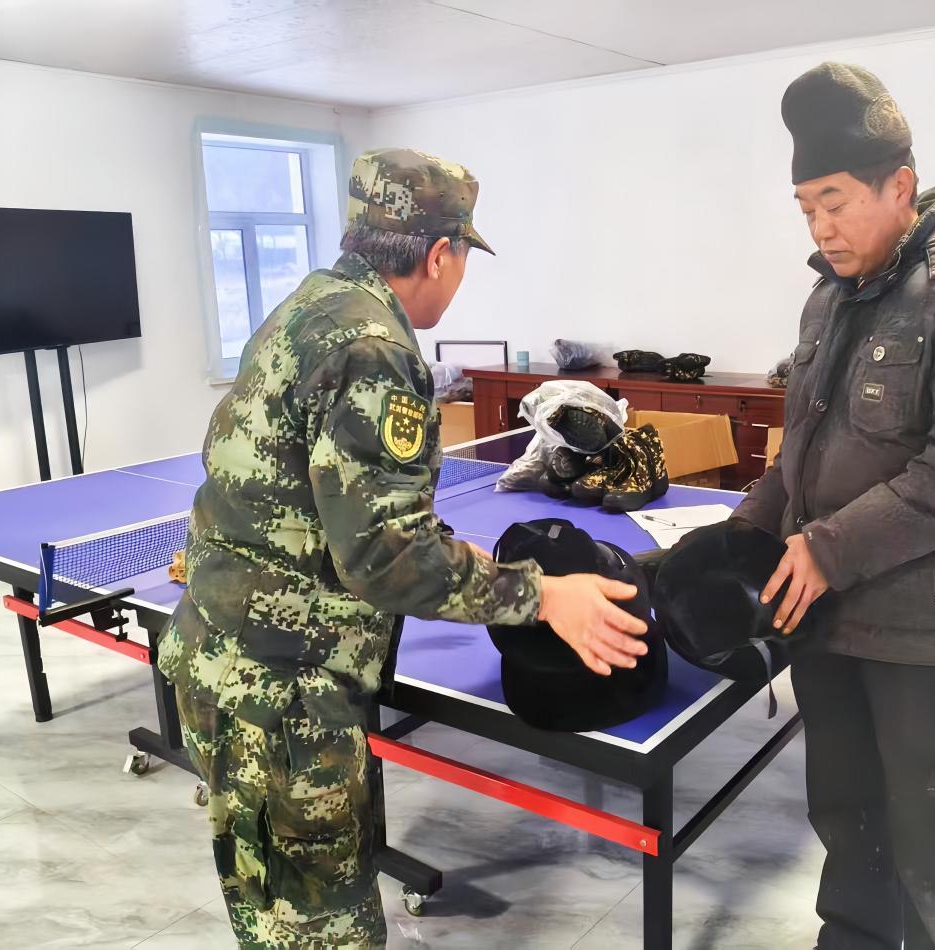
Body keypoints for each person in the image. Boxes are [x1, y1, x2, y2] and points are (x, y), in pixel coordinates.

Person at [158, 148, 649, 948]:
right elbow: (384, 557)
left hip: (225, 659)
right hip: (286, 693)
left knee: (268, 906)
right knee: (322, 929)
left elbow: (336, 510)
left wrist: (455, 558)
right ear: (440, 253)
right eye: (463, 258)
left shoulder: (310, 303)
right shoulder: (376, 349)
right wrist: (542, 595)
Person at [733, 64, 935, 949]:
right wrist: (744, 531)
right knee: (848, 822)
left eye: (835, 202)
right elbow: (802, 449)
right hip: (832, 615)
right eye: (805, 207)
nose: (820, 227)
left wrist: (827, 547)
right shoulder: (828, 299)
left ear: (899, 186)